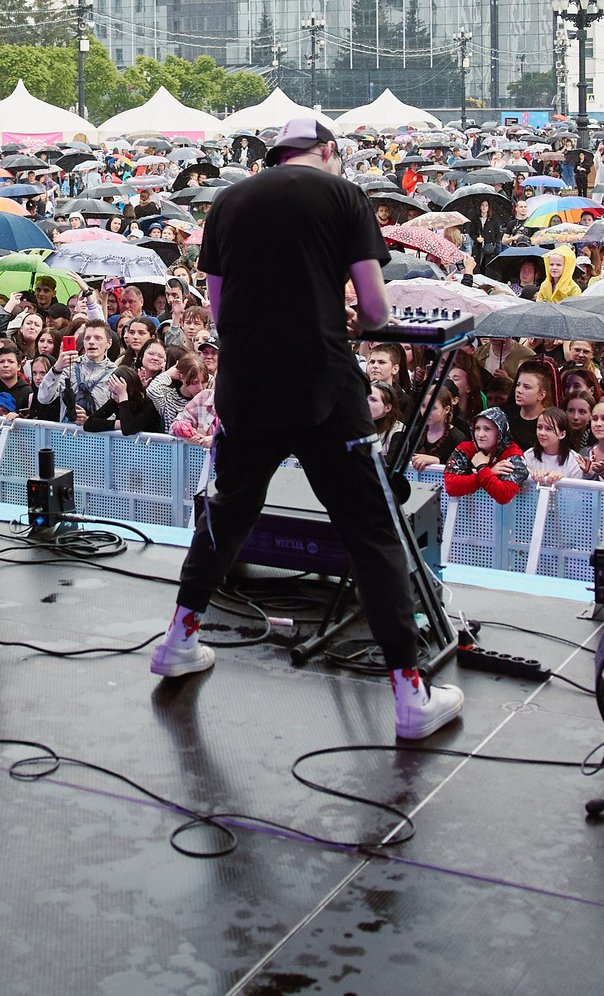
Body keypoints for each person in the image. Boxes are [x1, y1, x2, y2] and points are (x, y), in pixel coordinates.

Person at [152, 114, 463, 740]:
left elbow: (217, 308)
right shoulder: (342, 195)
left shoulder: (228, 202)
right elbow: (375, 308)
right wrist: (341, 309)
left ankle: (178, 640)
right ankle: (410, 697)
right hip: (322, 385)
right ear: (327, 151)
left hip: (244, 384)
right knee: (370, 530)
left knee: (229, 509)